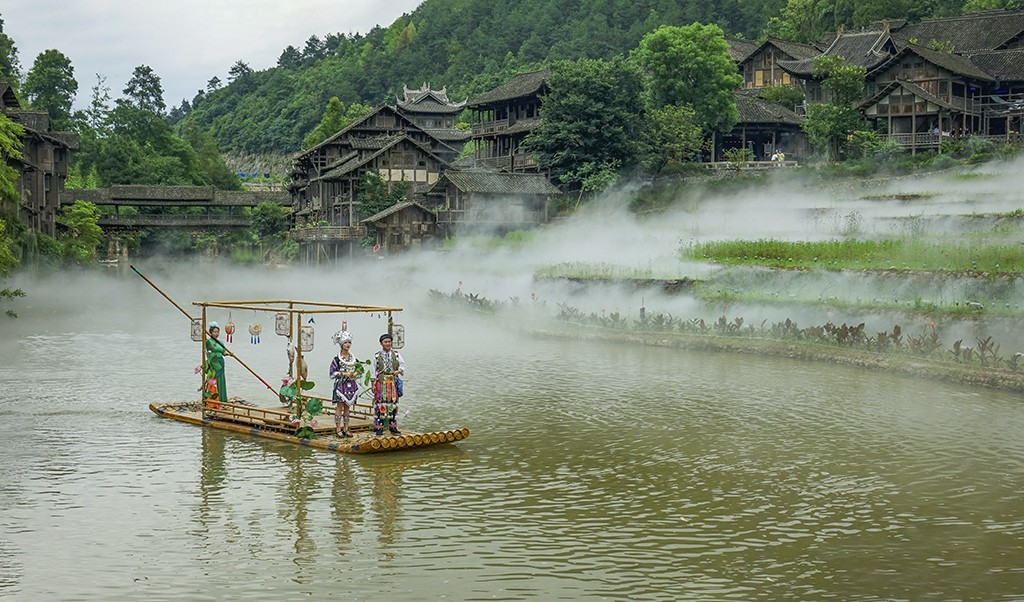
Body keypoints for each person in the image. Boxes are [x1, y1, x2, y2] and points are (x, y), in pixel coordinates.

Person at [371, 333, 405, 435]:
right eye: (385, 342)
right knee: (380, 405)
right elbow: (373, 370)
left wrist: (398, 371)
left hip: (392, 383)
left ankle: (393, 427)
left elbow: (403, 365)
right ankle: (378, 427)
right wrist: (373, 384)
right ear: (381, 343)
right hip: (381, 383)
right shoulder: (377, 356)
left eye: (389, 342)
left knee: (393, 405)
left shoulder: (396, 354)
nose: (388, 343)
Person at [329, 330, 359, 438]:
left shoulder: (353, 359)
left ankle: (346, 428)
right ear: (341, 344)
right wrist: (345, 373)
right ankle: (338, 429)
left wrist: (356, 373)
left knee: (347, 408)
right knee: (339, 407)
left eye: (349, 343)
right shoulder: (337, 359)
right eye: (346, 343)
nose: (348, 345)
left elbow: (359, 371)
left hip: (351, 385)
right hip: (341, 385)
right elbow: (332, 374)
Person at [204, 321, 229, 407]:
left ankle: (222, 400)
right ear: (210, 332)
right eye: (214, 332)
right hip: (213, 363)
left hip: (221, 362)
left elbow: (223, 351)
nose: (216, 333)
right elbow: (205, 342)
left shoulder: (220, 342)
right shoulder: (209, 342)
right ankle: (212, 401)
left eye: (217, 332)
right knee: (213, 380)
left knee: (221, 380)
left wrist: (229, 353)